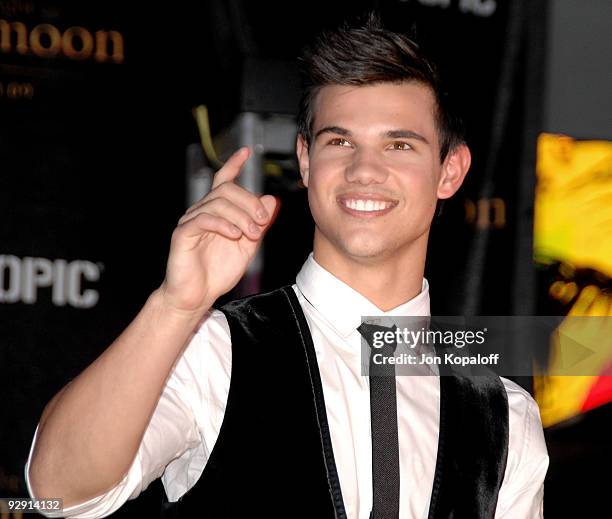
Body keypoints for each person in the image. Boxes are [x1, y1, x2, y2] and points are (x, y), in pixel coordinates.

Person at [25, 15, 548, 519]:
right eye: (339, 141)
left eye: (399, 145)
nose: (365, 170)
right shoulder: (215, 351)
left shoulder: (506, 416)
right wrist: (175, 305)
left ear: (449, 171)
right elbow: (59, 495)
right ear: (304, 159)